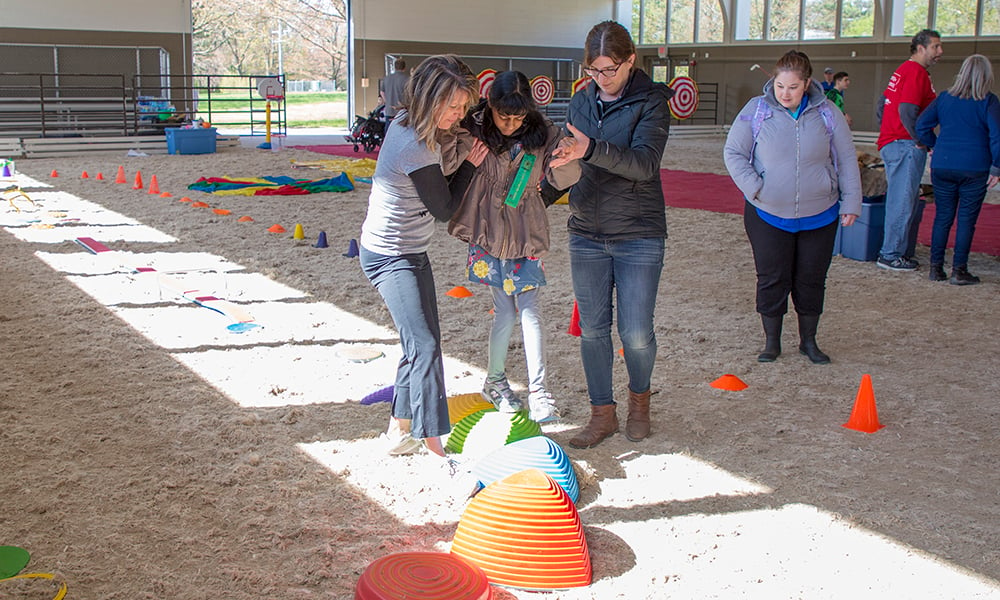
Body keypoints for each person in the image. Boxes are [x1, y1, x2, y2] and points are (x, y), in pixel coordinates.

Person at [548, 21, 674, 448]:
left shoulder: (653, 101)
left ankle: (640, 401)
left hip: (639, 233)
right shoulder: (580, 103)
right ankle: (601, 413)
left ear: (631, 60)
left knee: (636, 332)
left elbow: (644, 165)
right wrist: (537, 192)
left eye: (610, 69)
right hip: (585, 231)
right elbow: (570, 165)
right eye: (594, 70)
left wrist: (590, 150)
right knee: (593, 330)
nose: (602, 79)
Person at [359, 55, 487, 459]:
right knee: (427, 346)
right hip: (388, 255)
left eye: (462, 107)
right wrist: (469, 165)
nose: (458, 115)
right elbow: (444, 209)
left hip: (411, 251)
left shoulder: (412, 120)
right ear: (430, 99)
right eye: (451, 107)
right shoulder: (413, 143)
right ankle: (434, 443)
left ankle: (399, 430)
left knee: (418, 343)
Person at [448, 71, 581, 422]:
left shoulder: (547, 135)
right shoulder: (471, 128)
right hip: (488, 233)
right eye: (503, 115)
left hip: (526, 233)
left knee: (531, 309)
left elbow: (565, 177)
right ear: (489, 105)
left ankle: (538, 392)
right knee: (505, 311)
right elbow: (447, 162)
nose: (510, 124)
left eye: (519, 117)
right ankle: (495, 381)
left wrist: (567, 157)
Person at [724, 50, 862, 365]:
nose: (785, 94)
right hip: (766, 214)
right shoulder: (755, 110)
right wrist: (755, 186)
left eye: (793, 87)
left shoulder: (829, 113)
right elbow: (733, 152)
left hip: (820, 214)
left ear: (807, 84)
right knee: (772, 277)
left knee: (811, 278)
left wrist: (851, 201)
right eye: (780, 86)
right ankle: (772, 342)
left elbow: (845, 159)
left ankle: (809, 341)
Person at [916, 54, 1000, 285]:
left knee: (942, 217)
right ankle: (959, 271)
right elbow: (997, 137)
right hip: (975, 167)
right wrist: (996, 167)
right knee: (966, 220)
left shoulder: (944, 98)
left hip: (943, 165)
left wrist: (934, 145)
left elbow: (922, 125)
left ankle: (936, 269)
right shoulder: (989, 101)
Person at [875, 29, 943, 272]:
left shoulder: (904, 70)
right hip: (904, 144)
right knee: (902, 200)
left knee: (904, 198)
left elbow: (881, 106)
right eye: (936, 47)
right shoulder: (915, 72)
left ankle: (895, 250)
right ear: (921, 48)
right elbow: (906, 110)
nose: (940, 52)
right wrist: (919, 138)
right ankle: (890, 254)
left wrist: (888, 132)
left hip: (895, 142)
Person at [382, 58, 410, 130]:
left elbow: (382, 92)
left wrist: (387, 102)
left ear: (394, 67)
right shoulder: (408, 79)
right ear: (404, 67)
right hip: (403, 112)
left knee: (388, 133)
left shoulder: (386, 78)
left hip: (389, 111)